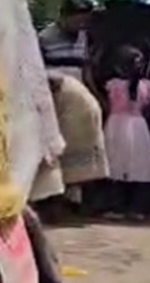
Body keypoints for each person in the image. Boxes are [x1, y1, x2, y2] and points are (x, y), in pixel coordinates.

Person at [103, 45, 150, 220]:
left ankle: (116, 207)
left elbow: (105, 103)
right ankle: (136, 208)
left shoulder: (112, 85)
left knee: (116, 166)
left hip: (115, 126)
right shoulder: (147, 87)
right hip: (138, 127)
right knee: (138, 166)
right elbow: (148, 109)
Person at [46, 70, 109, 210]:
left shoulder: (45, 79)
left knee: (67, 156)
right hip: (83, 109)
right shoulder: (55, 77)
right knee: (80, 160)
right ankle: (74, 200)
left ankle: (65, 203)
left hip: (76, 112)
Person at [39, 0, 93, 83]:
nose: (81, 26)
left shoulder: (85, 37)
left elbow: (86, 68)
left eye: (85, 22)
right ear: (63, 17)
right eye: (77, 22)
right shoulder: (44, 38)